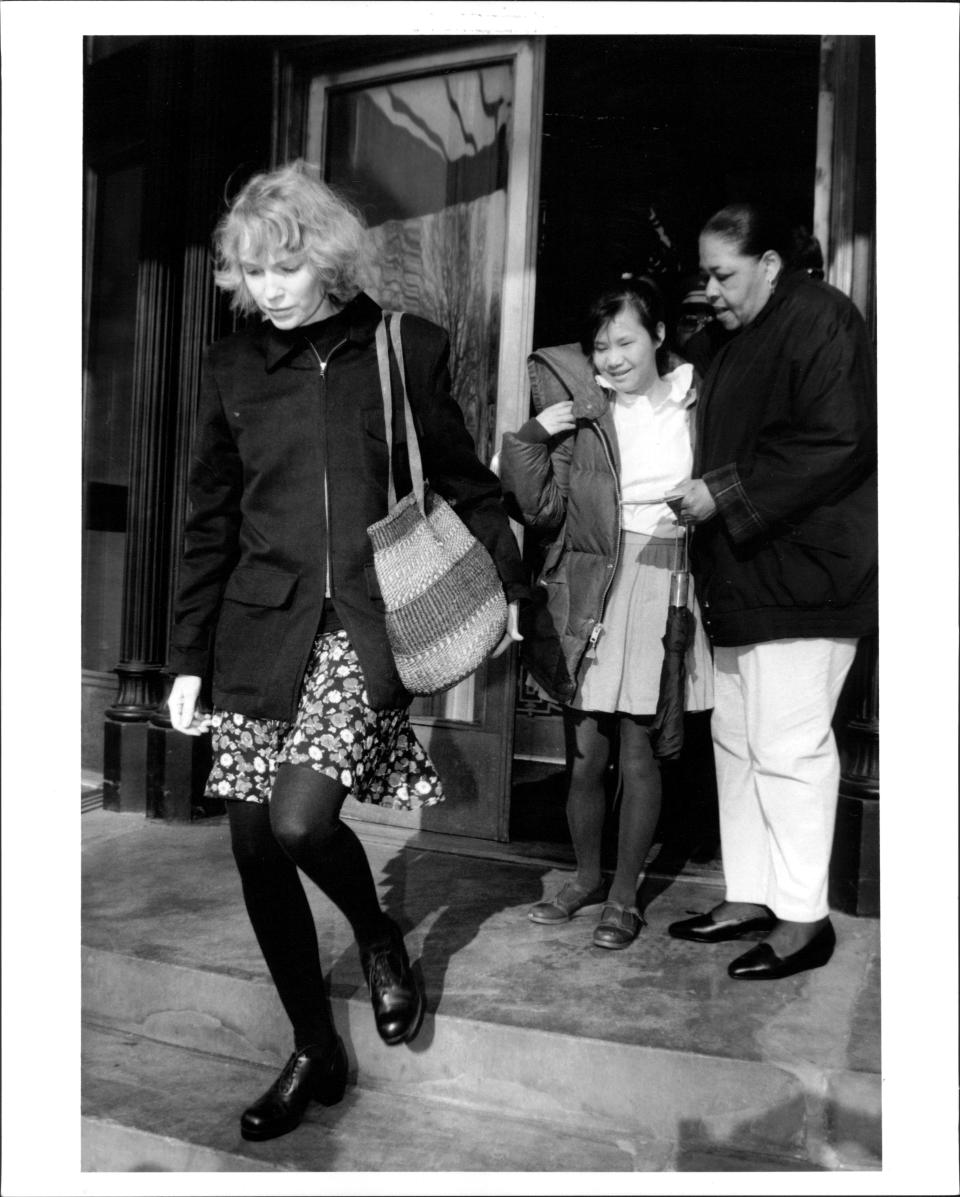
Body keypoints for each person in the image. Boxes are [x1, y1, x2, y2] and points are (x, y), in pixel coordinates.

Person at [166, 161, 526, 1140]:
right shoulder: (233, 367)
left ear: (322, 256)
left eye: (284, 266)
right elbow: (207, 523)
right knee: (250, 845)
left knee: (294, 822)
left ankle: (376, 937)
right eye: (251, 271)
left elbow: (469, 484)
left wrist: (499, 584)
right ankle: (312, 1045)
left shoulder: (404, 347)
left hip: (363, 629)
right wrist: (186, 656)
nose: (269, 290)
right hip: (257, 625)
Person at [666, 202, 877, 980]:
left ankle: (803, 917)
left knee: (790, 747)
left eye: (723, 274)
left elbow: (838, 440)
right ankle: (751, 895)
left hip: (808, 578)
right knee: (738, 741)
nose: (710, 291)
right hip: (749, 578)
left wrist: (720, 492)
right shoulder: (731, 338)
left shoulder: (822, 319)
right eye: (705, 275)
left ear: (770, 265)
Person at [499, 277, 714, 950]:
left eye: (626, 340)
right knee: (587, 752)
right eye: (601, 346)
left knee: (641, 752)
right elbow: (537, 508)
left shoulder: (695, 399)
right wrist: (535, 435)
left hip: (663, 576)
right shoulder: (586, 413)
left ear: (657, 337)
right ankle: (586, 876)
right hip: (592, 583)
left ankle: (625, 897)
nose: (614, 357)